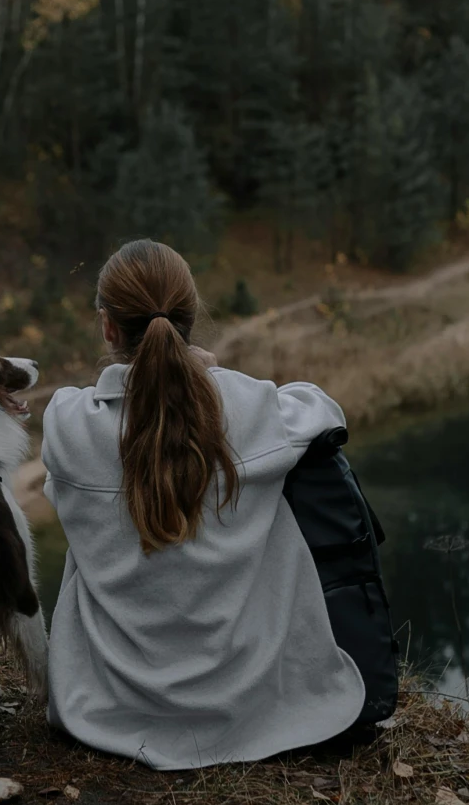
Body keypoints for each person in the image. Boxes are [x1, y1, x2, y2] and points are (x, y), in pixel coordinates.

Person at [41, 238, 365, 767]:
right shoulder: (248, 408)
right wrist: (205, 375)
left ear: (107, 326)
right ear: (190, 318)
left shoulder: (68, 424)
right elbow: (326, 412)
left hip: (108, 711)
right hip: (254, 709)